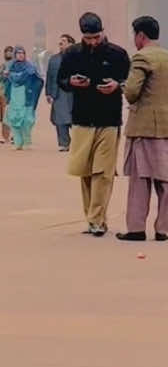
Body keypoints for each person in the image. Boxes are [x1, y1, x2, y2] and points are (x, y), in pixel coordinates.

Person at [59, 13, 131, 235]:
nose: (93, 42)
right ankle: (93, 217)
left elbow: (128, 82)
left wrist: (116, 86)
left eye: (96, 37)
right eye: (89, 38)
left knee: (104, 172)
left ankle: (96, 219)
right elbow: (61, 80)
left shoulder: (117, 54)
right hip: (82, 119)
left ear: (102, 32)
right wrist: (71, 82)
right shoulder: (72, 54)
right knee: (86, 171)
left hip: (108, 120)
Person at [116, 14, 168, 243]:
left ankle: (136, 228)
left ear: (140, 35)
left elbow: (133, 91)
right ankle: (162, 229)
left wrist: (123, 88)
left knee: (141, 178)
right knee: (167, 180)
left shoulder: (142, 57)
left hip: (145, 127)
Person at [0, 47, 43, 149]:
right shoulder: (10, 66)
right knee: (14, 118)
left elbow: (38, 79)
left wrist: (14, 76)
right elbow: (3, 79)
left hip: (26, 95)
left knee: (27, 120)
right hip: (14, 96)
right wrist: (5, 76)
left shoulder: (30, 66)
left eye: (22, 53)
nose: (20, 55)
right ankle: (18, 142)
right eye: (18, 53)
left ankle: (27, 141)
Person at [44, 33, 75, 152]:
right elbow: (49, 76)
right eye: (60, 41)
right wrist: (48, 93)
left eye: (64, 41)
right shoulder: (54, 59)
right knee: (60, 119)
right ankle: (64, 143)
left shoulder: (78, 57)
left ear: (71, 44)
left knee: (75, 119)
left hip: (74, 93)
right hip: (58, 93)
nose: (60, 43)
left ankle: (78, 143)